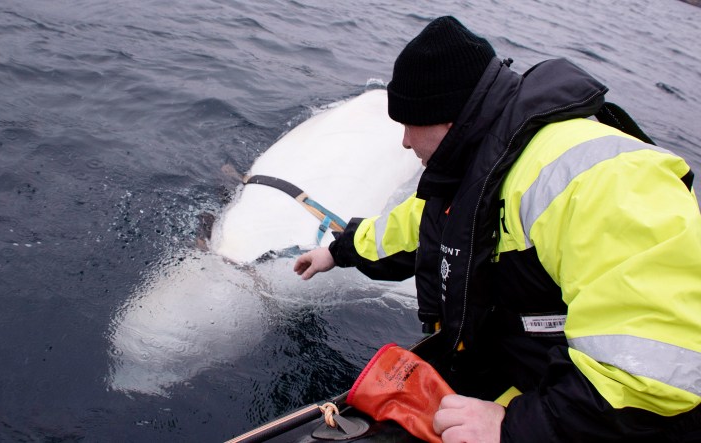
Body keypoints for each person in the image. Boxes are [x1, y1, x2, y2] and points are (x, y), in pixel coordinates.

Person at [293, 16, 701, 443]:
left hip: (593, 416)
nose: (405, 143)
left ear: (447, 121)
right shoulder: (481, 165)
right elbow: (418, 228)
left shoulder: (604, 181)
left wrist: (514, 428)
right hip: (536, 381)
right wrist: (338, 252)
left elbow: (651, 380)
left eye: (410, 125)